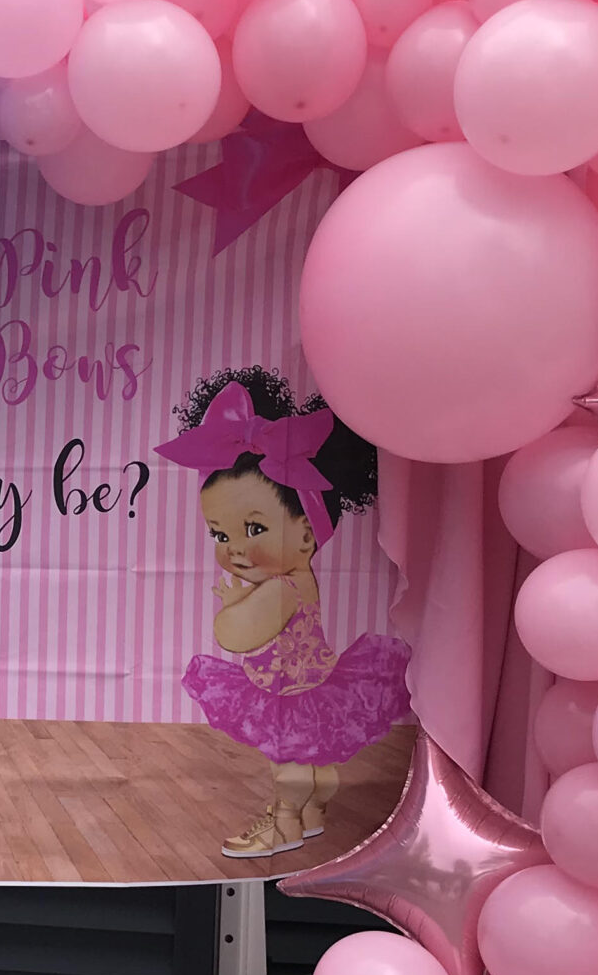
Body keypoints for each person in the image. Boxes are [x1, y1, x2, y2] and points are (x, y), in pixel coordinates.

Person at [157, 367, 411, 860]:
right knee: (313, 758)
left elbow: (235, 635)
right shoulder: (293, 582)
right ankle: (314, 812)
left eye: (253, 529)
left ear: (306, 535)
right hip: (314, 684)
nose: (234, 549)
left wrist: (231, 611)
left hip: (288, 693)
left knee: (289, 760)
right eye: (221, 535)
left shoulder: (281, 589)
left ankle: (286, 822)